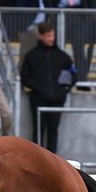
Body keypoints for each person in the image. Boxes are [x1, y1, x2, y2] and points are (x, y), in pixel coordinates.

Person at [20, 22, 76, 154]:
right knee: (38, 130)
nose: (51, 39)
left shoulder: (62, 56)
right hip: (38, 100)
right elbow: (25, 77)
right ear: (40, 36)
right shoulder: (31, 56)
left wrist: (64, 89)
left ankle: (52, 159)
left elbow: (73, 74)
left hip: (57, 100)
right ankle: (36, 158)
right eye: (48, 36)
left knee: (53, 131)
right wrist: (38, 87)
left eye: (52, 35)